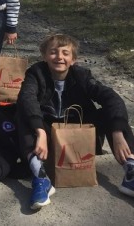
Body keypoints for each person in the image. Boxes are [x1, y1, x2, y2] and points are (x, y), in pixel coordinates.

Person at [16, 33, 134, 210]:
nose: (59, 57)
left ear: (73, 60)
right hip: (48, 130)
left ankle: (130, 171)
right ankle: (40, 177)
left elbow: (112, 98)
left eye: (65, 53)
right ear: (45, 56)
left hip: (77, 129)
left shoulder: (82, 75)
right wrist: (39, 131)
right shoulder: (36, 73)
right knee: (23, 114)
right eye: (53, 52)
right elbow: (27, 98)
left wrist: (117, 132)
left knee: (113, 113)